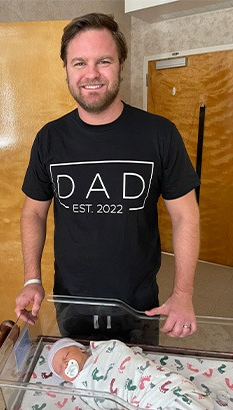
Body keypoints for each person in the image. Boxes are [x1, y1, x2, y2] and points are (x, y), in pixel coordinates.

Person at [15, 12, 200, 342]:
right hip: (72, 301)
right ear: (67, 70)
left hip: (139, 303)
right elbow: (33, 212)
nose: (91, 74)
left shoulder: (160, 134)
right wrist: (32, 279)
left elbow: (185, 216)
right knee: (79, 381)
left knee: (136, 388)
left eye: (104, 61)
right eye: (79, 63)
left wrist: (183, 293)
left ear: (120, 65)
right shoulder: (49, 139)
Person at [47, 338, 213, 410]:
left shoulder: (105, 348)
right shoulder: (82, 385)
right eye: (60, 370)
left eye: (66, 356)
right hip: (141, 397)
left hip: (149, 376)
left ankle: (193, 403)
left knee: (174, 386)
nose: (65, 365)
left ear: (81, 349)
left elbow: (121, 351)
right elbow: (98, 402)